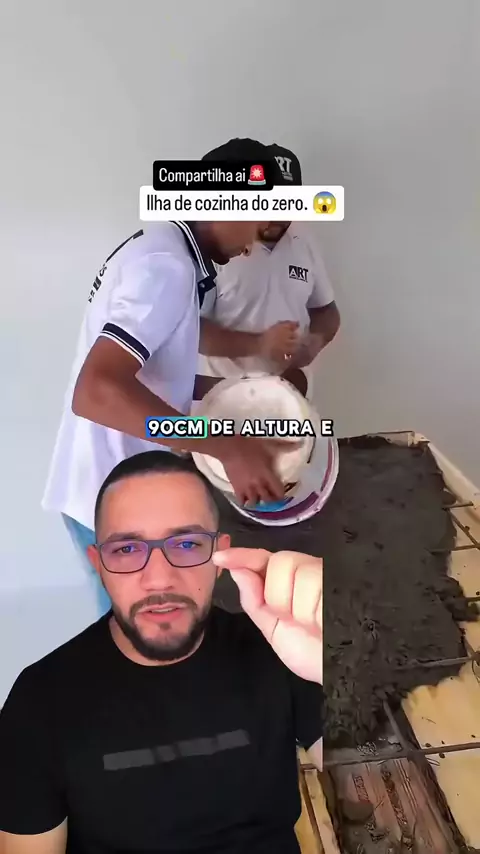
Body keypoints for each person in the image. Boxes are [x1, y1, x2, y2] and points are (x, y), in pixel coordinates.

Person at [0, 451, 324, 854]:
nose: (158, 579)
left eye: (186, 543)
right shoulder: (39, 701)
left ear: (219, 556)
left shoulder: (280, 649)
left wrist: (327, 662)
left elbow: (363, 756)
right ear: (98, 564)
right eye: (127, 550)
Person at [42, 138, 298, 596]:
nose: (255, 241)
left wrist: (241, 397)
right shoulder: (167, 267)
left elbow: (155, 372)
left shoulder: (165, 251)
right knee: (136, 633)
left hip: (114, 488)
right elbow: (95, 391)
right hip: (110, 496)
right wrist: (226, 447)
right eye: (259, 217)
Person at [197, 143, 340, 400]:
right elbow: (194, 332)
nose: (277, 215)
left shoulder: (304, 239)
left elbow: (327, 312)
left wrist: (314, 343)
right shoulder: (217, 247)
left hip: (290, 400)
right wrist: (260, 344)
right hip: (225, 400)